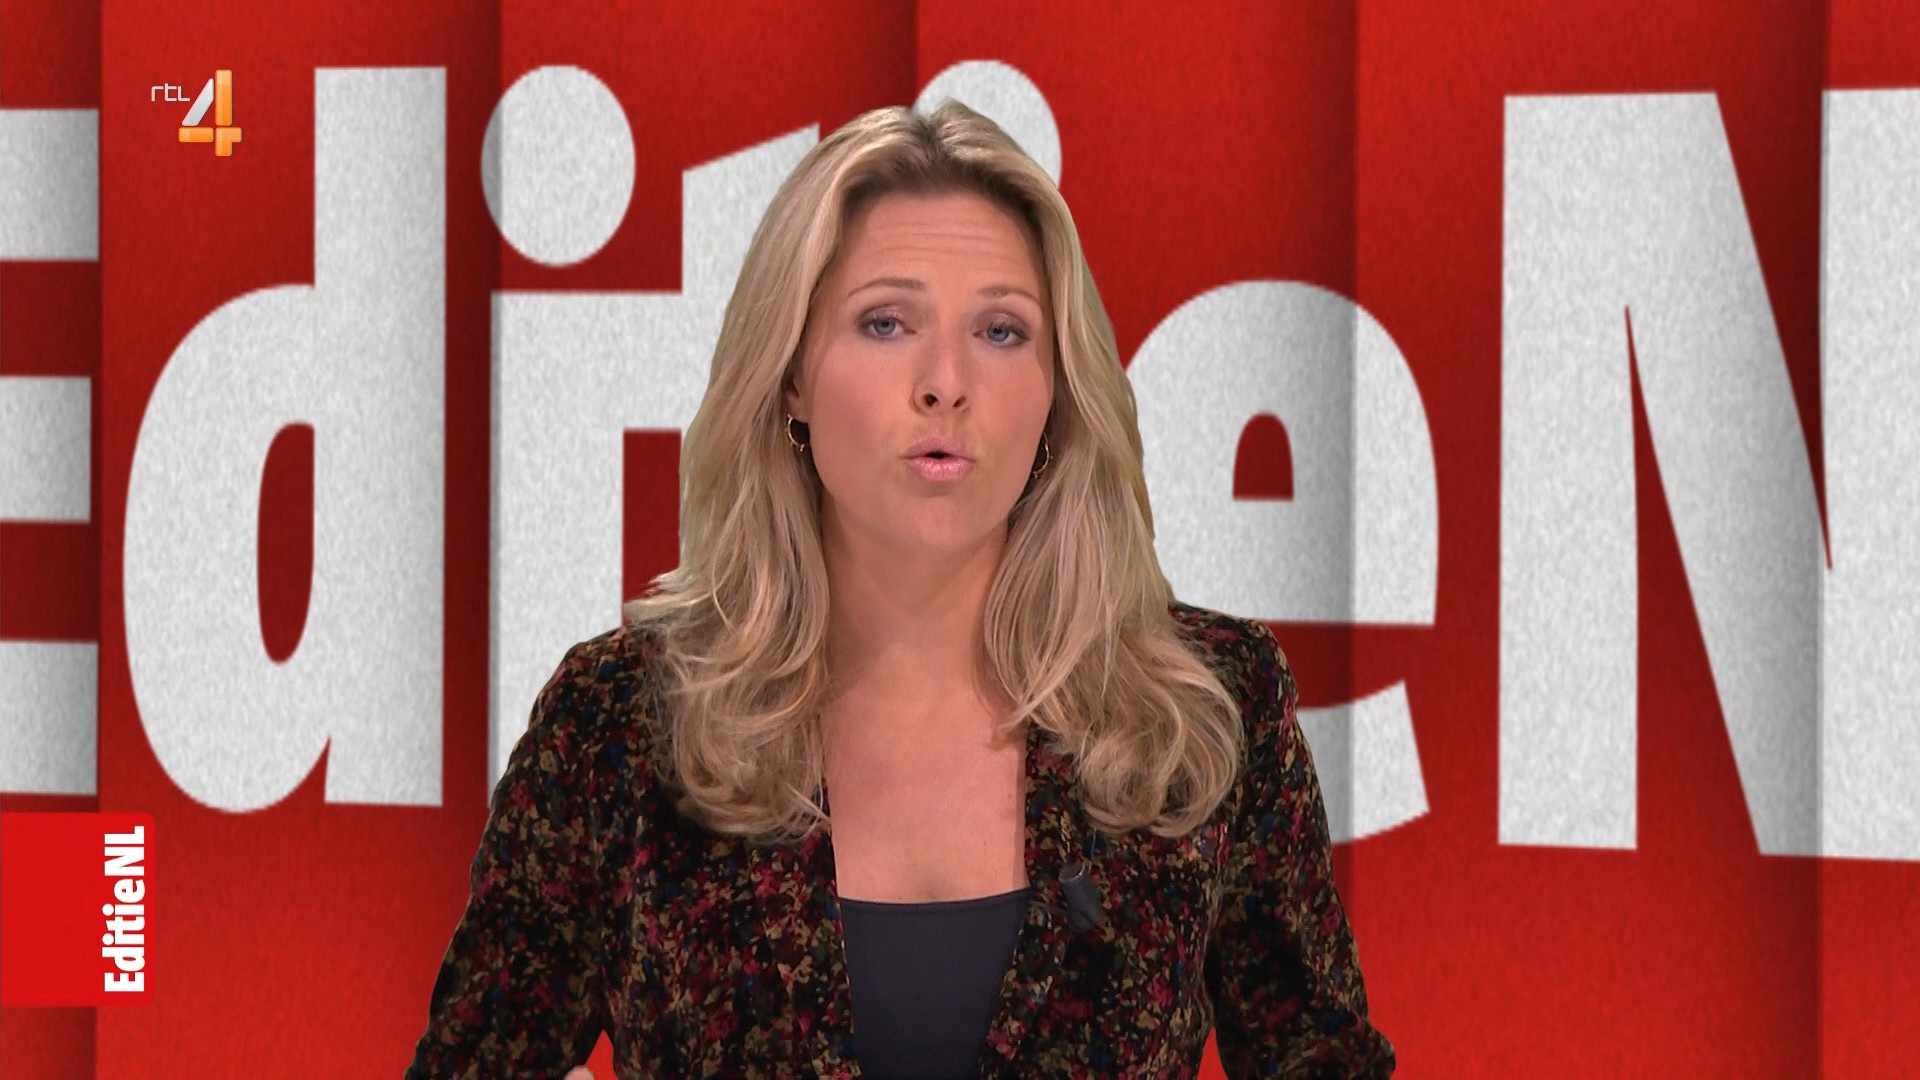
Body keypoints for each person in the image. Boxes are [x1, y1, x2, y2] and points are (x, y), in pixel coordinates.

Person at [405, 99, 1394, 1079]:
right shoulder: (621, 719)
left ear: (1058, 391)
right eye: (886, 322)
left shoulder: (1208, 708)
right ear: (791, 377)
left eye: (1001, 331)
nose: (945, 382)